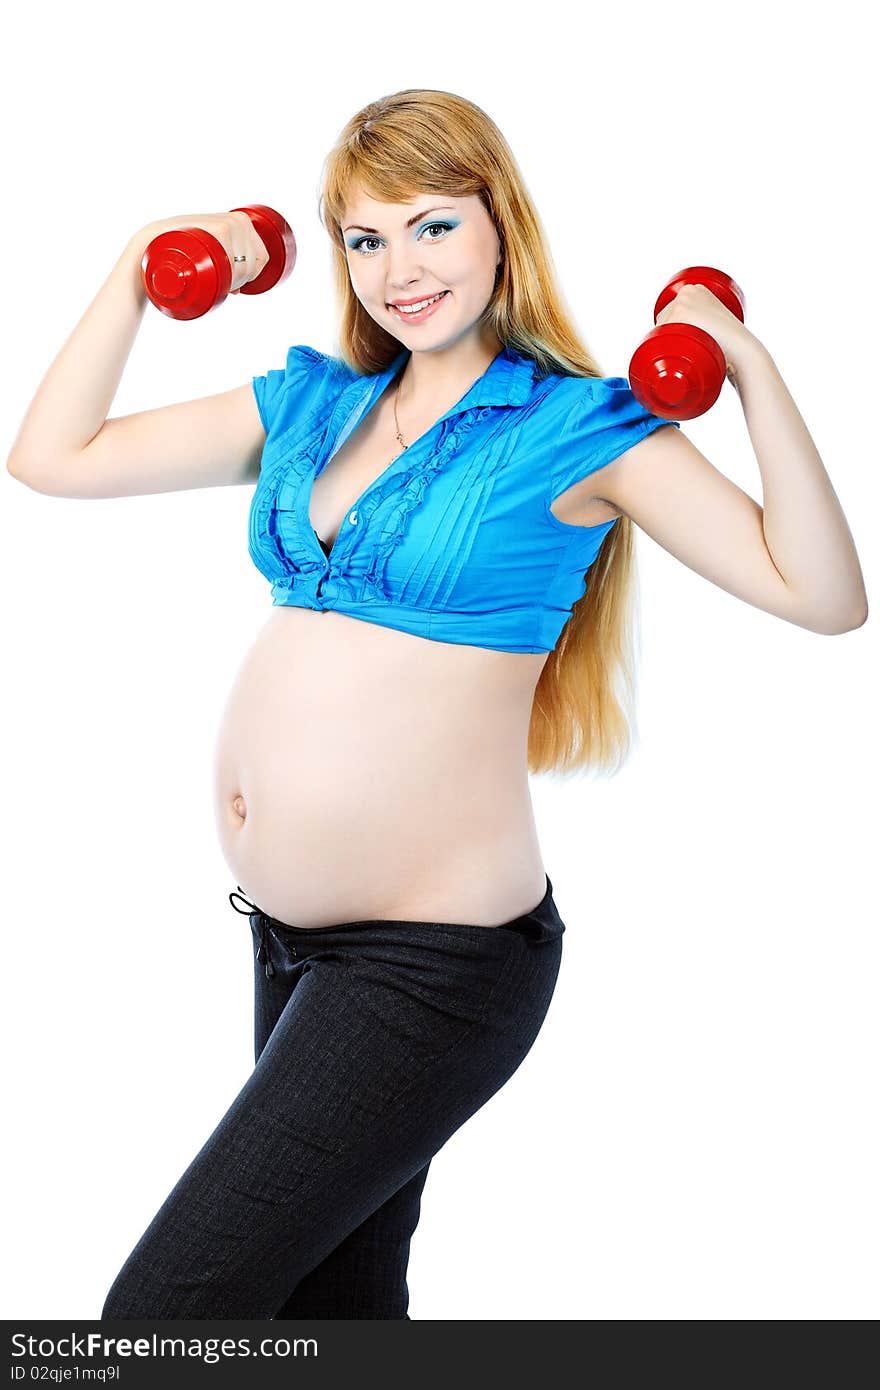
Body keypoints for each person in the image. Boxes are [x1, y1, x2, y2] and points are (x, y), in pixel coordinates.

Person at [7, 88, 868, 1321]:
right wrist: (140, 271)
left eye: (431, 228)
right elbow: (52, 457)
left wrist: (746, 367)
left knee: (161, 1317)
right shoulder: (313, 404)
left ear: (497, 227)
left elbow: (823, 596)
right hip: (291, 945)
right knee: (334, 1314)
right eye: (364, 240)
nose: (398, 271)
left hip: (435, 967)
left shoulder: (583, 427)